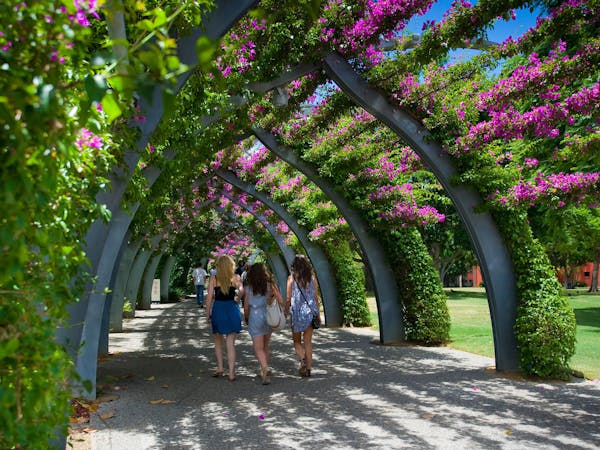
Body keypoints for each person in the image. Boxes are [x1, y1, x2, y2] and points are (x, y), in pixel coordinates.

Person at [241, 263, 283, 385]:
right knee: (265, 345)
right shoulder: (270, 285)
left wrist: (246, 317)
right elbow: (280, 300)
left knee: (258, 348)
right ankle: (264, 368)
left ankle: (264, 368)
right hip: (268, 315)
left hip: (255, 316)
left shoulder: (249, 287)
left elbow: (247, 306)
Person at [205, 255, 243, 381]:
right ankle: (231, 373)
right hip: (232, 309)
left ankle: (220, 368)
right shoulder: (235, 277)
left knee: (218, 341)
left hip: (218, 309)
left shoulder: (214, 278)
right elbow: (242, 291)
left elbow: (209, 297)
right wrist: (237, 299)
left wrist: (207, 313)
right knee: (230, 342)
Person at [285, 254, 321, 378]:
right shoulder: (312, 278)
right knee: (308, 342)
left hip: (297, 313)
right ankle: (309, 368)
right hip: (310, 312)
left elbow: (288, 298)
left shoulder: (291, 279)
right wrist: (318, 314)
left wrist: (285, 312)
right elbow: (315, 298)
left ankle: (302, 360)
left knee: (296, 341)